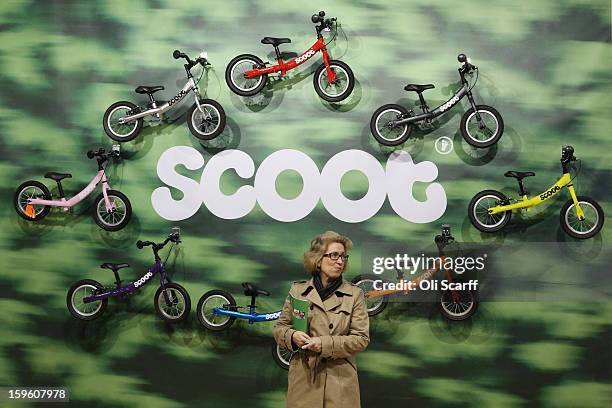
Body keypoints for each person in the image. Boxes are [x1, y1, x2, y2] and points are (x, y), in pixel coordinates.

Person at [273, 231, 370, 408]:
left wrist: (324, 344)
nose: (340, 261)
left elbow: (361, 339)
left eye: (343, 256)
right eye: (334, 255)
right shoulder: (297, 291)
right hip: (304, 381)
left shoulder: (355, 294)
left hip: (339, 384)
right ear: (317, 259)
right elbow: (280, 328)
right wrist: (293, 336)